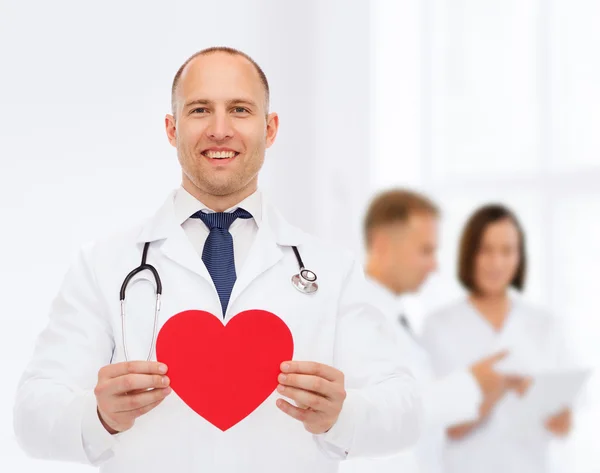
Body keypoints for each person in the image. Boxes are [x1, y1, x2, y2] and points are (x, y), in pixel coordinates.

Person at [12, 47, 421, 473]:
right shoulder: (102, 265)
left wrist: (344, 415)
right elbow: (31, 417)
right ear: (172, 129)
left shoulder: (333, 268)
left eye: (240, 110)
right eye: (200, 109)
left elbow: (405, 410)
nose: (220, 129)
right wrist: (99, 418)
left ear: (271, 127)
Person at [341, 189, 511, 473]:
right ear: (383, 246)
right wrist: (470, 384)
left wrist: (479, 394)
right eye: (426, 251)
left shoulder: (393, 315)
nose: (434, 265)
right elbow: (384, 412)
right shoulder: (357, 315)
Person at [421, 204, 573, 473]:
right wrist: (496, 387)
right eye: (486, 250)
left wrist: (549, 408)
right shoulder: (439, 326)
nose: (497, 263)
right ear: (470, 254)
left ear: (520, 257)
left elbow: (563, 426)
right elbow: (445, 426)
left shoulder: (546, 325)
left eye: (507, 251)